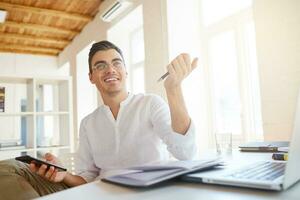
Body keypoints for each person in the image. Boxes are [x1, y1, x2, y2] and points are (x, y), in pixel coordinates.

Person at [0, 40, 198, 199]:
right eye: (101, 66)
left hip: (147, 193)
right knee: (7, 168)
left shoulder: (150, 104)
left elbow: (185, 152)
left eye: (116, 63)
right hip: (98, 193)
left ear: (125, 71)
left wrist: (173, 89)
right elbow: (87, 177)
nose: (110, 69)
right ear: (91, 77)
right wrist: (64, 175)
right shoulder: (88, 123)